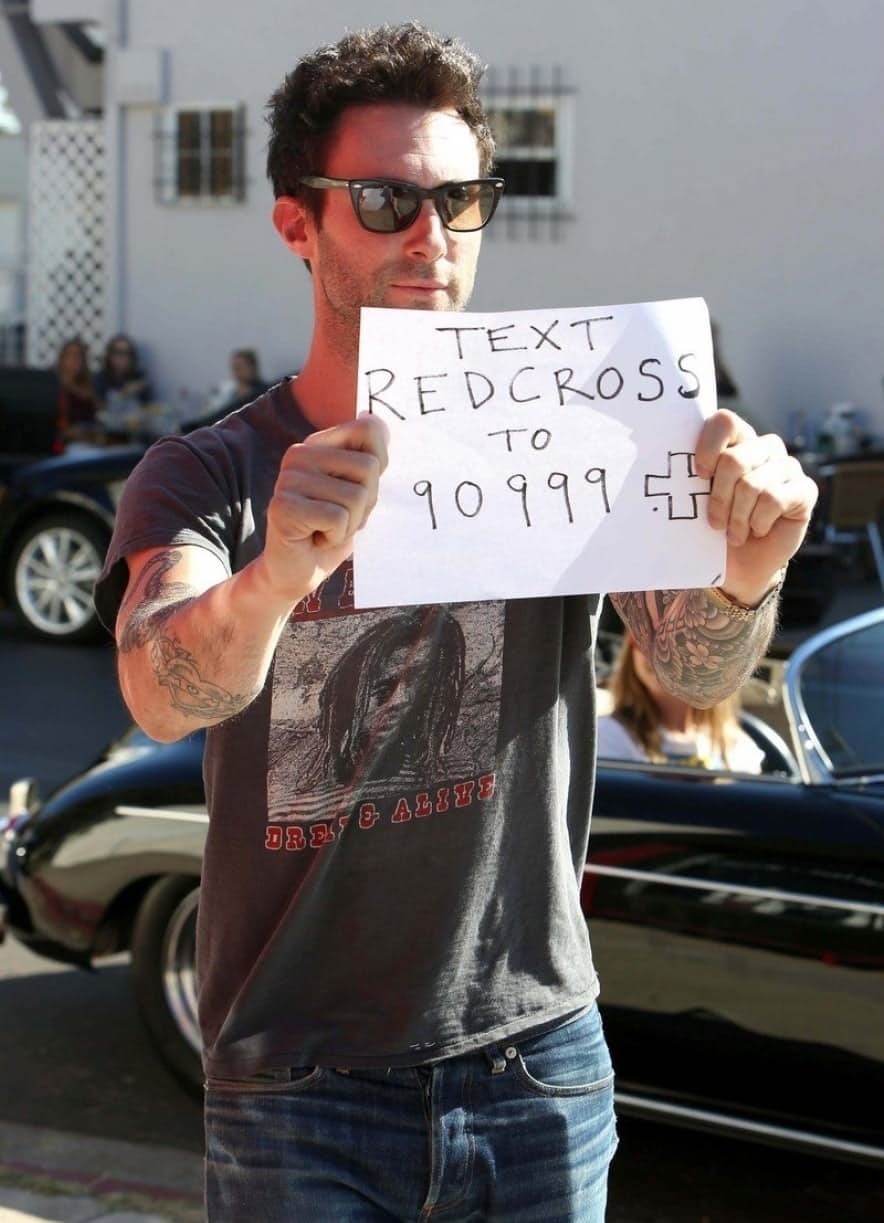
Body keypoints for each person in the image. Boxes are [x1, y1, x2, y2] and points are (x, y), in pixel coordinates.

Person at [93, 22, 818, 1222]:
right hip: (297, 1075)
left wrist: (747, 570)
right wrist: (277, 574)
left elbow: (691, 669)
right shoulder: (209, 472)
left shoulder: (570, 426)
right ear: (297, 224)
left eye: (461, 199)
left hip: (535, 1060)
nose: (430, 236)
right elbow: (161, 692)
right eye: (385, 201)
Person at [598, 630, 765, 772]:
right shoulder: (607, 736)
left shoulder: (738, 749)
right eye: (645, 636)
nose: (660, 652)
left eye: (680, 639)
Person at [53, 337, 98, 449]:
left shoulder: (88, 387)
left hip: (88, 442)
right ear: (62, 358)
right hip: (61, 444)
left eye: (80, 356)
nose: (76, 360)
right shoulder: (55, 386)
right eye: (71, 355)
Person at [94, 333, 153, 407]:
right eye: (119, 352)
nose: (123, 357)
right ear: (110, 355)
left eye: (127, 353)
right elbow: (100, 406)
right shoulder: (100, 378)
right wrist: (124, 393)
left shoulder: (138, 376)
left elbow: (148, 406)